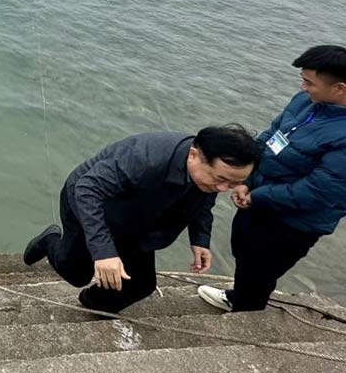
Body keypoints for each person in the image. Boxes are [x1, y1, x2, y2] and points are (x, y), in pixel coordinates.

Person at [198, 46, 346, 313]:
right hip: (260, 199)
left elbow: (319, 191)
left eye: (309, 82)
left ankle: (246, 313)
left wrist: (258, 194)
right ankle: (239, 297)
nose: (303, 88)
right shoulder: (307, 103)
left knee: (262, 268)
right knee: (244, 252)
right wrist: (247, 179)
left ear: (339, 88)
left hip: (294, 222)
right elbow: (270, 135)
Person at [23, 126, 261, 315]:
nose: (223, 189)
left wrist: (199, 238)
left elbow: (203, 201)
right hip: (91, 205)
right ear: (194, 155)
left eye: (232, 184)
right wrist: (104, 253)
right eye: (220, 179)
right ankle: (50, 240)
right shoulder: (144, 159)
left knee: (140, 284)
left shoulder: (206, 178)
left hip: (140, 221)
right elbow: (87, 189)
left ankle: (92, 306)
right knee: (76, 274)